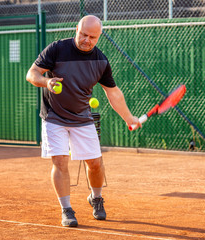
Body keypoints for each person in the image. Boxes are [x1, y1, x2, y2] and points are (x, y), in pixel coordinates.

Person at [26, 15, 141, 227]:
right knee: (60, 162)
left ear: (98, 37)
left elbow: (113, 93)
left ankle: (96, 198)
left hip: (82, 116)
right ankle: (67, 209)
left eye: (92, 37)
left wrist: (129, 117)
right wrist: (47, 81)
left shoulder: (101, 61)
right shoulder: (57, 49)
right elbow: (31, 74)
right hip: (54, 116)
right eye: (83, 34)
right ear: (76, 29)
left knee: (95, 164)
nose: (87, 40)